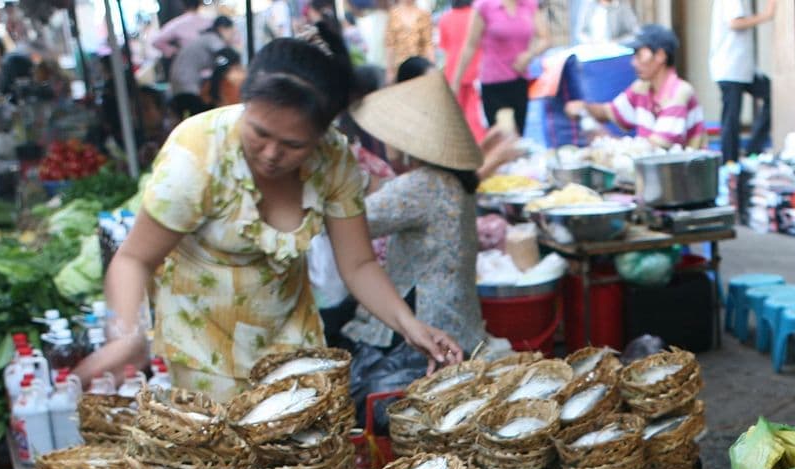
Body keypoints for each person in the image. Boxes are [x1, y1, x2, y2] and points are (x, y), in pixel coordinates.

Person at [74, 35, 462, 399]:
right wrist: (125, 334)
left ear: (322, 134)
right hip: (205, 352)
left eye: (294, 145)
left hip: (294, 342)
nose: (271, 154)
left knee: (307, 462)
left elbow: (358, 263)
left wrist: (410, 326)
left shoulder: (333, 158)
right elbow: (133, 258)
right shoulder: (196, 156)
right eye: (259, 133)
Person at [341, 70, 486, 353]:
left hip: (426, 330)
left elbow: (349, 223)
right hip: (462, 323)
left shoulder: (422, 185)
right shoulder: (457, 180)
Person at [565, 23, 701, 148]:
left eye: (639, 55)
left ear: (660, 55)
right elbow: (609, 112)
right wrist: (585, 108)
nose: (634, 63)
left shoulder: (679, 92)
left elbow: (656, 149)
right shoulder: (641, 88)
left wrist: (604, 139)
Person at [448, 0, 540, 134]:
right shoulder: (485, 5)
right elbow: (470, 46)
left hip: (519, 81)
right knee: (501, 139)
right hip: (494, 84)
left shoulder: (528, 4)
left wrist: (529, 55)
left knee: (518, 137)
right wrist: (456, 82)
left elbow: (545, 38)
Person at [709, 0, 773, 168]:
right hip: (730, 66)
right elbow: (734, 22)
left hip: (742, 67)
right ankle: (730, 165)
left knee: (773, 95)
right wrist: (766, 15)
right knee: (731, 119)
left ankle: (751, 150)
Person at [434, 0, 484, 139]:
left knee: (457, 117)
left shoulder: (445, 19)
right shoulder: (477, 15)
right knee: (476, 117)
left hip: (453, 71)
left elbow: (445, 49)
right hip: (476, 70)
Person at [169, 15, 234, 98]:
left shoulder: (206, 37)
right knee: (192, 105)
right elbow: (228, 53)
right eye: (231, 32)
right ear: (222, 29)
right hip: (185, 79)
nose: (232, 36)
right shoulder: (212, 37)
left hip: (181, 77)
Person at [383, 0, 432, 81]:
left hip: (420, 68)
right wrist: (389, 71)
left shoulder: (424, 14)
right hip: (400, 68)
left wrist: (431, 66)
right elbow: (390, 45)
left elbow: (428, 44)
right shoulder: (393, 15)